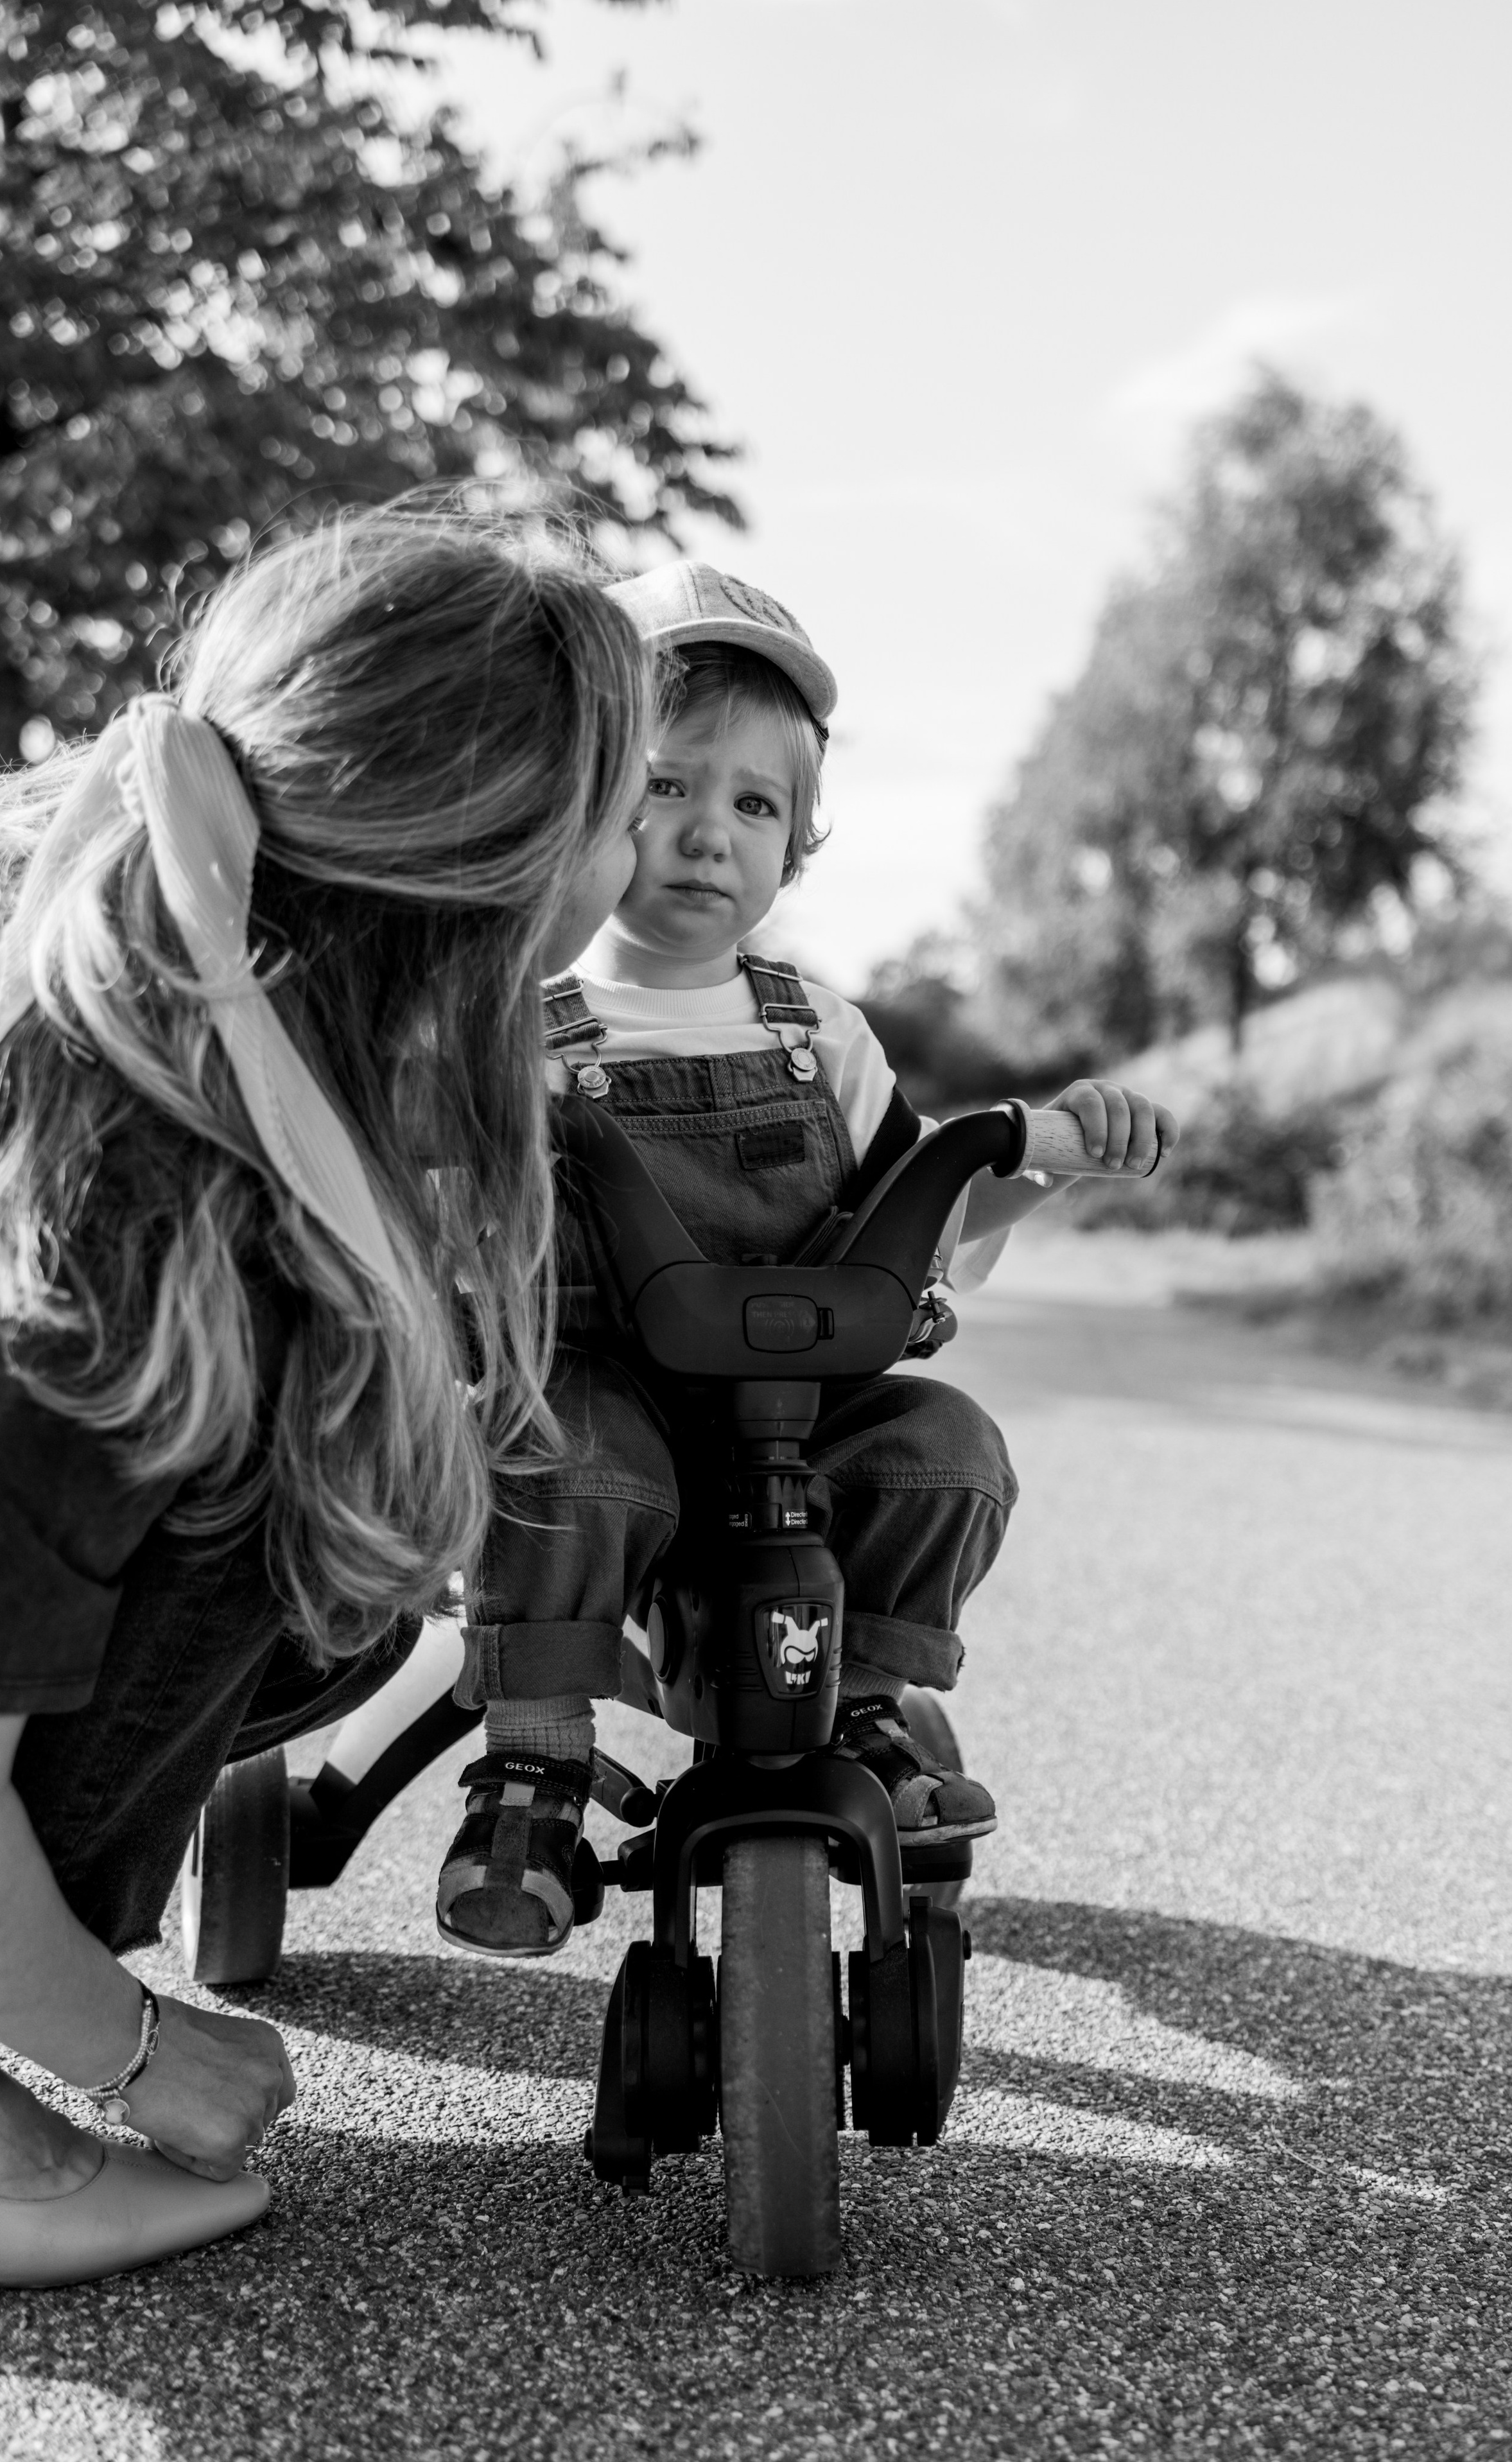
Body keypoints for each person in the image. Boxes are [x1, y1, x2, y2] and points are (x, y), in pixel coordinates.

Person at [0, 507, 654, 2285]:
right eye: (624, 808)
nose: (642, 853)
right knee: (283, 1495)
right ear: (500, 882)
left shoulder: (103, 950)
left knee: (340, 1572)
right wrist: (131, 2046)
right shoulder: (121, 1205)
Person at [435, 562, 1176, 1958]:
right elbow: (435, 1209)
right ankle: (529, 1770)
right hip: (614, 1397)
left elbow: (917, 1211)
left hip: (803, 1408)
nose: (706, 835)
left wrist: (1040, 1164)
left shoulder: (813, 1031)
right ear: (577, 803)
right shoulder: (512, 1019)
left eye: (753, 805)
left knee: (945, 1447)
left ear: (795, 849)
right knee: (549, 1457)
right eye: (663, 787)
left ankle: (866, 1712)